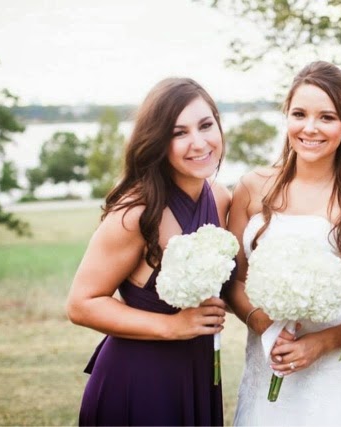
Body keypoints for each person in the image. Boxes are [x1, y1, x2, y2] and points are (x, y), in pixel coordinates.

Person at [224, 61, 341, 425]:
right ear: (287, 116)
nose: (310, 128)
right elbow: (234, 281)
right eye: (299, 114)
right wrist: (263, 324)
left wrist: (321, 343)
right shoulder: (251, 187)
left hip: (338, 380)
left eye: (326, 117)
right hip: (267, 369)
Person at [66, 77, 231, 426]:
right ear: (158, 141)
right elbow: (81, 304)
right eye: (179, 133)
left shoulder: (220, 197)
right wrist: (173, 326)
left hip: (197, 372)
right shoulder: (137, 212)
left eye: (205, 125)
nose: (199, 142)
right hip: (139, 381)